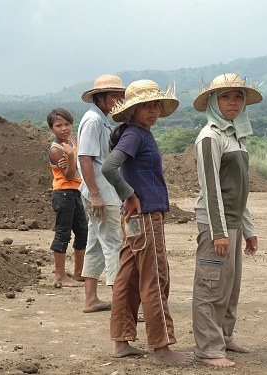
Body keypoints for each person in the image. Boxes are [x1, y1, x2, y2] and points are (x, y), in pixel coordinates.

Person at [102, 79, 193, 365]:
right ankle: (162, 347)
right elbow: (108, 167)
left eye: (155, 104)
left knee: (128, 278)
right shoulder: (136, 135)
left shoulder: (138, 133)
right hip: (145, 216)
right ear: (132, 111)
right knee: (155, 277)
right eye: (145, 106)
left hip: (136, 219)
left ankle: (121, 341)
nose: (152, 110)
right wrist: (129, 195)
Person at [191, 73, 262, 367]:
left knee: (230, 285)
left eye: (237, 97)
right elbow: (211, 189)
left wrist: (249, 229)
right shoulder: (210, 137)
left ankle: (225, 336)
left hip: (232, 222)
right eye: (225, 97)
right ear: (212, 102)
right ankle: (208, 349)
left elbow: (239, 190)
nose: (232, 102)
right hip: (214, 224)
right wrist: (218, 232)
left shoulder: (235, 137)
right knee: (211, 285)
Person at [76, 74, 126, 313]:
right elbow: (85, 157)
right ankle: (122, 305)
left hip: (101, 192)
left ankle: (91, 299)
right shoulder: (94, 121)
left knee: (95, 244)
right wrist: (95, 194)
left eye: (120, 95)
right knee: (115, 244)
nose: (118, 99)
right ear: (100, 96)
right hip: (101, 193)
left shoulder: (101, 119)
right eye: (113, 95)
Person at [46, 108, 87, 288]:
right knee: (63, 233)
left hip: (75, 192)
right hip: (63, 193)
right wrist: (70, 157)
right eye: (59, 125)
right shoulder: (57, 150)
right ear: (51, 128)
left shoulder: (71, 144)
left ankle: (79, 273)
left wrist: (71, 156)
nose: (64, 128)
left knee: (82, 231)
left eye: (67, 124)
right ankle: (60, 275)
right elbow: (69, 175)